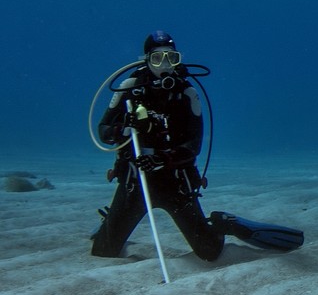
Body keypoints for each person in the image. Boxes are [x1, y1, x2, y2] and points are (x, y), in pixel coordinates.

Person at [92, 30, 303, 260]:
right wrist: (123, 126)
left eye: (171, 58)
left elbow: (194, 145)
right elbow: (103, 132)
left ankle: (224, 224)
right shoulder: (130, 87)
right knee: (103, 251)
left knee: (209, 252)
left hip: (174, 183)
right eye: (157, 58)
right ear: (145, 59)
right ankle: (111, 223)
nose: (165, 65)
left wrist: (164, 159)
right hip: (136, 182)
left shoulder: (186, 93)